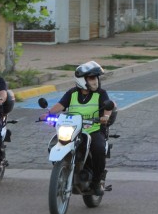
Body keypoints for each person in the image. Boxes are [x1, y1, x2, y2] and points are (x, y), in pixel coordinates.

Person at [40, 61, 117, 196]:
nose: (95, 81)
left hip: (93, 130)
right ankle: (63, 169)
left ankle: (96, 182)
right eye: (92, 78)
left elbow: (107, 108)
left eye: (96, 78)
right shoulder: (72, 93)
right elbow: (61, 105)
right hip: (74, 130)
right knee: (55, 144)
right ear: (82, 80)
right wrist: (49, 114)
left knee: (98, 148)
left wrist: (105, 117)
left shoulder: (101, 93)